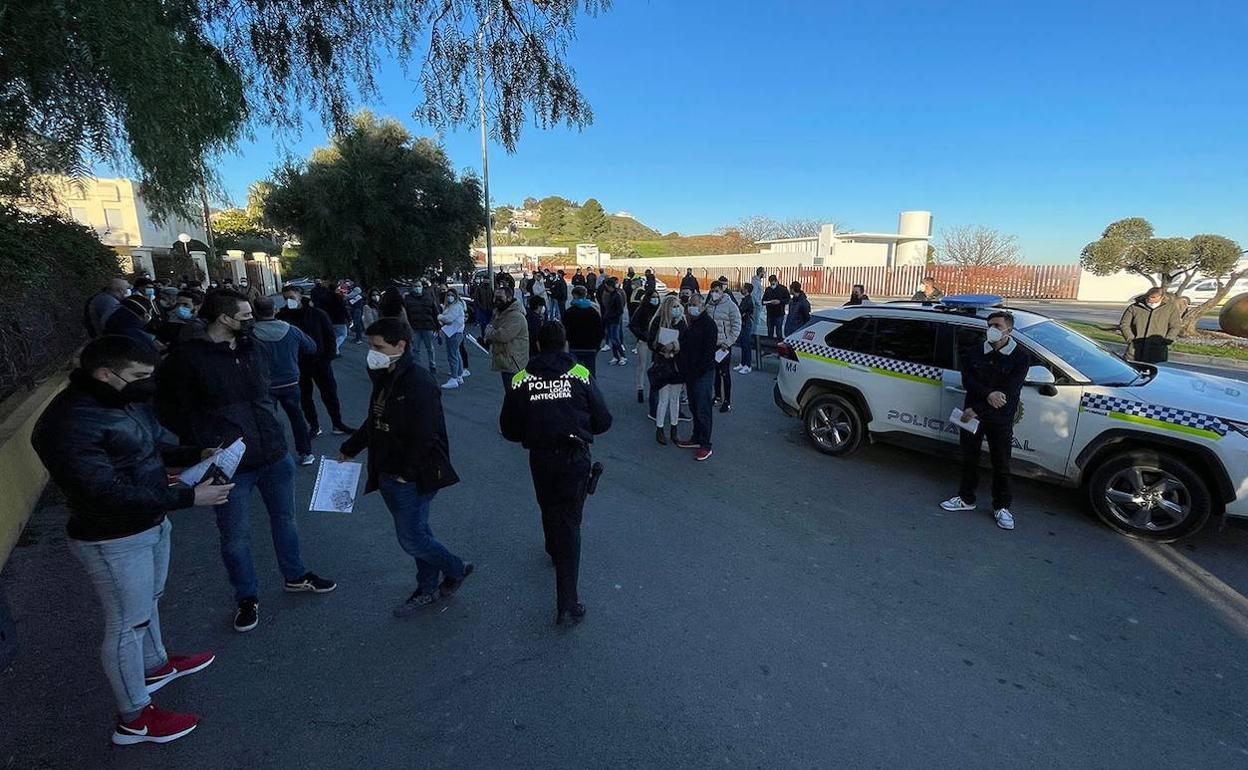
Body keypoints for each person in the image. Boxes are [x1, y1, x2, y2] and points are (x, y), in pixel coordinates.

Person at [31, 335, 230, 746]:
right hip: (112, 537)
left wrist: (194, 453)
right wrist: (189, 496)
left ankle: (155, 665)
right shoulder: (67, 422)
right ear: (105, 373)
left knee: (149, 602)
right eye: (140, 376)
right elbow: (102, 490)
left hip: (149, 521)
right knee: (127, 624)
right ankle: (134, 718)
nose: (148, 383)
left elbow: (148, 448)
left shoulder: (121, 399)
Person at [158, 291, 338, 632]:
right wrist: (200, 443)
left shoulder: (252, 347)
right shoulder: (187, 359)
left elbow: (263, 393)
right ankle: (246, 597)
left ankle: (296, 575)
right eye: (244, 316)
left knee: (286, 521)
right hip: (228, 463)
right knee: (235, 536)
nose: (250, 320)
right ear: (224, 319)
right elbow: (167, 408)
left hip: (273, 453)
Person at [339, 318, 473, 617]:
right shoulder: (386, 374)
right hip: (390, 470)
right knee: (418, 533)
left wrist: (406, 474)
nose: (372, 352)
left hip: (410, 476)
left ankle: (454, 568)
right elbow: (375, 418)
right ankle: (427, 588)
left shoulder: (419, 381)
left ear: (400, 345)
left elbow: (426, 433)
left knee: (411, 538)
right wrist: (351, 447)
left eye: (378, 346)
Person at [500, 321, 612, 627]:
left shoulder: (521, 379)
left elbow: (508, 429)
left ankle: (553, 548)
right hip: (575, 458)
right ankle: (567, 603)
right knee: (571, 524)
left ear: (537, 345)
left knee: (549, 509)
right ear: (565, 345)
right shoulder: (579, 374)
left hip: (541, 457)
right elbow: (603, 420)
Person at [939, 311, 1030, 531]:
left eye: (997, 325)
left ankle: (1001, 506)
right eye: (990, 324)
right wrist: (988, 395)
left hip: (996, 418)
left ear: (1009, 330)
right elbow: (968, 380)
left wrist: (979, 406)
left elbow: (1009, 392)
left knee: (1001, 463)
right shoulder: (975, 351)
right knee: (969, 458)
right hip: (972, 415)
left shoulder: (1020, 356)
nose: (992, 328)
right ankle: (966, 498)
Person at [278, 285, 354, 437]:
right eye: (286, 299)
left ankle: (337, 423)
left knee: (330, 394)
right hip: (298, 365)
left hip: (320, 362)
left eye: (291, 298)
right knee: (305, 397)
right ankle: (314, 425)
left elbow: (330, 337)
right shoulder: (282, 317)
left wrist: (328, 357)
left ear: (300, 296)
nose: (289, 301)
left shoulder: (317, 314)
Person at [253, 296, 318, 466]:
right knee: (297, 417)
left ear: (255, 312)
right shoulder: (291, 330)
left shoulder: (250, 334)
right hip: (290, 381)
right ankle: (305, 452)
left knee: (268, 422)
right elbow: (311, 348)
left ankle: (274, 455)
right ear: (275, 310)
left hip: (264, 384)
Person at [673, 294, 718, 461]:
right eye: (690, 304)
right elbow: (685, 345)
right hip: (690, 373)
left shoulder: (708, 325)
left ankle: (705, 444)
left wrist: (697, 372)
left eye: (695, 304)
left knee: (703, 409)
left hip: (702, 373)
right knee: (694, 407)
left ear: (703, 306)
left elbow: (708, 353)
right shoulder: (691, 323)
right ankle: (696, 437)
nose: (691, 307)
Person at [649, 294, 687, 445]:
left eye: (678, 306)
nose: (677, 309)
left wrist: (676, 347)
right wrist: (662, 348)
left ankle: (674, 429)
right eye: (674, 307)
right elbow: (651, 341)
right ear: (667, 308)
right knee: (663, 398)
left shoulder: (682, 322)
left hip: (677, 364)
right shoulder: (658, 321)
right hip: (663, 363)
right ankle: (659, 429)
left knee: (675, 399)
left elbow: (686, 341)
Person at [483, 284, 529, 389]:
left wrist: (489, 332)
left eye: (500, 298)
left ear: (509, 298)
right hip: (505, 361)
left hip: (514, 364)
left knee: (514, 396)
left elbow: (502, 335)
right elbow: (493, 327)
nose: (496, 300)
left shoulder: (516, 316)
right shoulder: (500, 313)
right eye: (495, 297)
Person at [1119, 287, 1183, 363]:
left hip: (1157, 350)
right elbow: (1124, 324)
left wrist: (1167, 340)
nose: (1150, 299)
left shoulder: (1170, 308)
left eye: (1153, 297)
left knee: (1154, 372)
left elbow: (1175, 326)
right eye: (1148, 297)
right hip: (1135, 349)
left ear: (1161, 297)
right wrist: (1131, 339)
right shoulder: (1134, 307)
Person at [706, 281, 742, 413]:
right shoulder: (709, 305)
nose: (714, 293)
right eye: (712, 291)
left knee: (725, 373)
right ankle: (717, 396)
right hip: (711, 345)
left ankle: (727, 401)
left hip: (724, 346)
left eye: (717, 290)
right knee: (714, 372)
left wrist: (728, 342)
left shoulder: (730, 306)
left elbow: (737, 325)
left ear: (722, 291)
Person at [563, 285, 604, 377]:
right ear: (585, 295)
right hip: (590, 347)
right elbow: (600, 330)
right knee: (591, 374)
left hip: (574, 346)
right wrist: (597, 345)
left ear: (574, 296)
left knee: (575, 374)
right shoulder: (594, 311)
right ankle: (591, 390)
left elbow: (565, 332)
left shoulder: (569, 312)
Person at [628, 288, 660, 404]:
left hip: (656, 342)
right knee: (642, 365)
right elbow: (632, 325)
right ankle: (640, 388)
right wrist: (642, 336)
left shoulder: (659, 311)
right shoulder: (641, 310)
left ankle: (654, 389)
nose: (655, 299)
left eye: (657, 297)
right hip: (644, 341)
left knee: (655, 366)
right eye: (653, 297)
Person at [403, 281, 440, 373]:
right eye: (415, 286)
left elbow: (435, 312)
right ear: (412, 288)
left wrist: (438, 327)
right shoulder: (408, 299)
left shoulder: (428, 297)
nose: (417, 288)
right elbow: (405, 314)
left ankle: (432, 365)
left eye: (419, 286)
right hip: (414, 328)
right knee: (415, 349)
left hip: (427, 326)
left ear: (422, 287)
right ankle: (417, 366)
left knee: (430, 348)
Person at [437, 286, 467, 389]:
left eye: (452, 295)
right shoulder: (452, 306)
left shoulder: (456, 306)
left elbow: (448, 319)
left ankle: (454, 378)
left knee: (452, 355)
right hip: (453, 332)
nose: (449, 297)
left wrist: (440, 317)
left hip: (454, 333)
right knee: (456, 354)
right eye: (448, 295)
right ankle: (458, 375)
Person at [311, 279, 351, 353]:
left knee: (334, 335)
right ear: (336, 289)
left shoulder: (323, 297)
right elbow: (343, 308)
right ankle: (335, 348)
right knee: (343, 334)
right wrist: (348, 318)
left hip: (329, 319)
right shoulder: (338, 297)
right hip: (339, 319)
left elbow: (318, 305)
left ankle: (335, 350)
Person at [600, 277, 628, 366]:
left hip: (614, 320)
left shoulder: (616, 296)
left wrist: (610, 316)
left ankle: (623, 356)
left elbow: (620, 310)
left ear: (609, 286)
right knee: (613, 339)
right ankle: (616, 356)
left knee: (615, 339)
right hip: (609, 319)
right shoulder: (611, 294)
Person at [735, 282, 755, 374]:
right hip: (743, 323)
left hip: (746, 323)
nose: (741, 289)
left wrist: (741, 312)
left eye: (743, 288)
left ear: (746, 290)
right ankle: (743, 363)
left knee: (746, 345)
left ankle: (748, 365)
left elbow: (740, 310)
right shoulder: (745, 299)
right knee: (743, 344)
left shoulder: (748, 300)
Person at [762, 274, 790, 339]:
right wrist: (769, 302)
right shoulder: (768, 289)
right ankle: (770, 344)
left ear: (776, 281)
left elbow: (788, 300)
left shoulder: (783, 289)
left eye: (773, 283)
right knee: (770, 331)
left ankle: (779, 344)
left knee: (778, 331)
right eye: (771, 283)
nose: (772, 285)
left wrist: (779, 301)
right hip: (770, 313)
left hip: (779, 313)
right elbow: (763, 301)